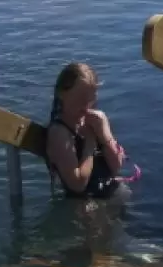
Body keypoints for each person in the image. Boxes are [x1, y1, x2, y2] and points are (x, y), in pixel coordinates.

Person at [45, 62, 125, 199]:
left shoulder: (97, 120)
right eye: (80, 98)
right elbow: (77, 184)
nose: (86, 106)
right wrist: (90, 144)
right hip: (86, 204)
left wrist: (104, 134)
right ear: (62, 94)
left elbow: (117, 166)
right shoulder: (59, 133)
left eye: (91, 98)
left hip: (113, 191)